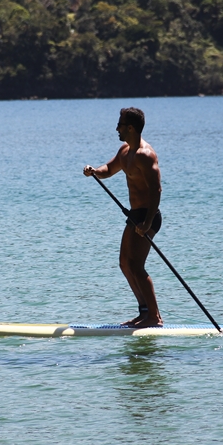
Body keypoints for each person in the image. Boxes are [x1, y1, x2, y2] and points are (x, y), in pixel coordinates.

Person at [83, 107, 163, 327]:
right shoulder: (125, 152)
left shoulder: (145, 156)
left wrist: (147, 223)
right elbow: (109, 169)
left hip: (148, 216)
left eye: (120, 124)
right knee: (125, 264)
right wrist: (95, 171)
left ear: (130, 127)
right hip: (134, 215)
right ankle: (144, 312)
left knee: (137, 265)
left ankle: (154, 318)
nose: (116, 128)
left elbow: (156, 190)